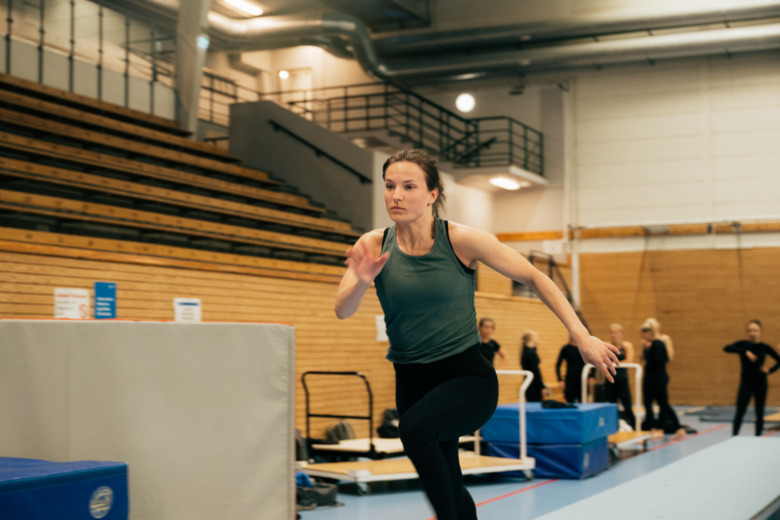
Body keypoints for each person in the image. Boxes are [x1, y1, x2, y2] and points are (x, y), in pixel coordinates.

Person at [334, 149, 620, 520]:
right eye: (390, 186)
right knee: (449, 481)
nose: (396, 196)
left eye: (408, 186)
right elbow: (342, 309)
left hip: (466, 378)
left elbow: (534, 276)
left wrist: (581, 335)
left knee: (414, 431)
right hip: (411, 380)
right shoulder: (372, 245)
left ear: (433, 194)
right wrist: (360, 281)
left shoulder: (461, 240)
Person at [724, 320, 780, 436]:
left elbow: (779, 360)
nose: (752, 333)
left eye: (755, 330)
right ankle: (734, 437)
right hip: (746, 383)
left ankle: (758, 437)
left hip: (760, 383)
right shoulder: (744, 344)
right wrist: (745, 351)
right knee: (740, 410)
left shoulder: (764, 347)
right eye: (750, 330)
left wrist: (770, 370)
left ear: (760, 332)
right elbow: (727, 348)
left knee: (759, 412)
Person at [640, 322, 685, 440]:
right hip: (657, 377)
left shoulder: (658, 342)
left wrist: (649, 348)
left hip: (656, 377)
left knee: (650, 403)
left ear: (650, 332)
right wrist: (646, 348)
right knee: (664, 404)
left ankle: (656, 429)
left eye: (645, 334)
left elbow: (663, 360)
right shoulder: (653, 344)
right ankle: (678, 428)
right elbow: (644, 358)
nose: (643, 337)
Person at [604, 324, 636, 430]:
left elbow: (630, 360)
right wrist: (617, 363)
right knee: (611, 408)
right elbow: (603, 360)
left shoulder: (626, 346)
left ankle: (634, 427)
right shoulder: (607, 345)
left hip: (622, 381)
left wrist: (613, 363)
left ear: (620, 334)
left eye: (616, 332)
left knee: (627, 407)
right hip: (610, 381)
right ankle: (612, 429)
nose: (613, 335)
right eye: (611, 332)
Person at [555, 335, 586, 403]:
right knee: (570, 402)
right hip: (570, 380)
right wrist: (560, 379)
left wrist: (592, 375)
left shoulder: (583, 348)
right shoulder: (566, 348)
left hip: (582, 380)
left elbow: (592, 361)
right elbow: (558, 365)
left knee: (583, 401)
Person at [520, 330, 550, 402]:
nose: (538, 339)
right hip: (534, 386)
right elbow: (535, 371)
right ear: (532, 338)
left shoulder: (527, 351)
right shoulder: (530, 353)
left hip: (531, 384)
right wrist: (541, 386)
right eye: (536, 337)